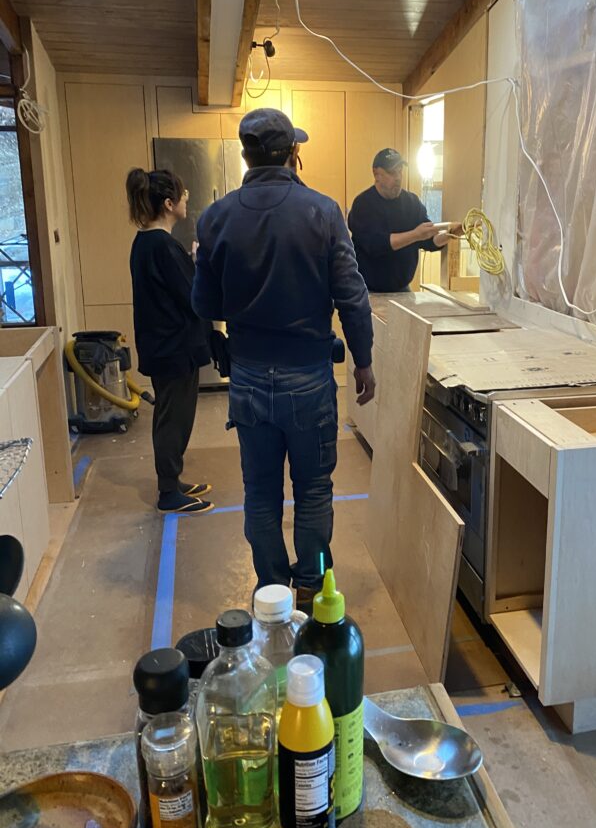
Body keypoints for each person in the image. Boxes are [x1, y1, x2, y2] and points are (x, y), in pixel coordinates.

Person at [191, 109, 375, 611]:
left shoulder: (216, 217)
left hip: (248, 378)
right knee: (313, 491)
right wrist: (363, 360)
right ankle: (312, 589)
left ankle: (271, 594)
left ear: (246, 155)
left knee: (261, 493)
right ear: (294, 153)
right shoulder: (322, 211)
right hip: (309, 379)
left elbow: (204, 306)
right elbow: (352, 295)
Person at [126, 168, 213, 514]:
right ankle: (168, 492)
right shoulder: (161, 245)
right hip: (172, 349)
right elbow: (191, 295)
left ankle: (172, 480)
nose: (187, 198)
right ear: (168, 203)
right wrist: (199, 263)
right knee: (173, 419)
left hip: (163, 347)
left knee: (171, 415)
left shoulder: (147, 242)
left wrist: (190, 261)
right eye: (183, 193)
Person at [347, 147, 457, 293]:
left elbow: (429, 241)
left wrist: (453, 233)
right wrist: (416, 234)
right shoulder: (363, 204)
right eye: (392, 172)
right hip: (368, 291)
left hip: (402, 290)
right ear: (376, 174)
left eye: (400, 171)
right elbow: (375, 245)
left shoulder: (412, 202)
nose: (398, 177)